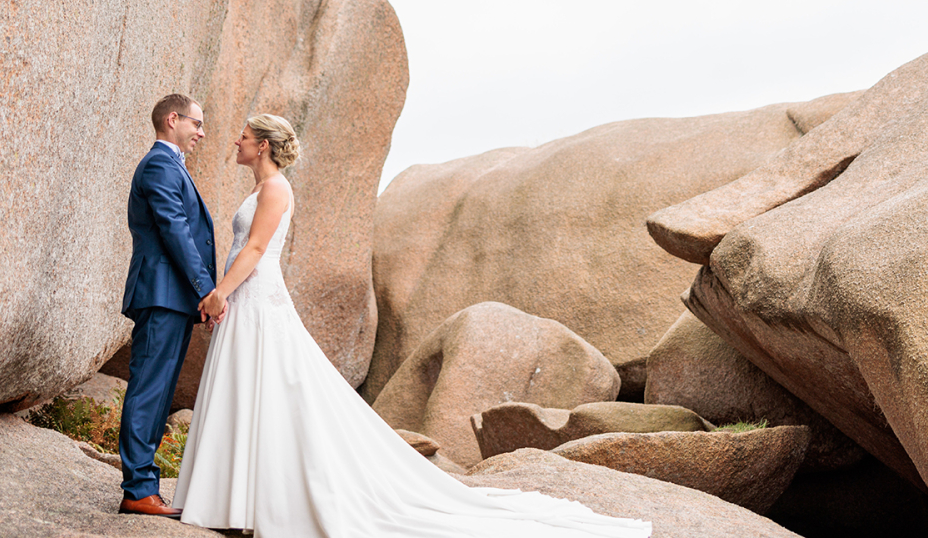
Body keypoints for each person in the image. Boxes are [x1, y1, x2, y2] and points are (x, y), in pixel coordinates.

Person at [172, 113, 651, 537]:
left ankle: (252, 496)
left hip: (256, 298)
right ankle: (234, 496)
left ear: (263, 146)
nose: (235, 141)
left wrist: (219, 294)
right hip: (248, 297)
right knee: (249, 390)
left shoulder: (276, 188)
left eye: (243, 136)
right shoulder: (259, 188)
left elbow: (255, 251)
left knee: (271, 390)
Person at [117, 94, 221, 518]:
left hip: (172, 298)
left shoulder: (172, 165)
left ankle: (146, 486)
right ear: (172, 119)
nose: (201, 132)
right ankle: (138, 489)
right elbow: (175, 229)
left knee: (158, 394)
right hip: (162, 293)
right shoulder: (160, 164)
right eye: (196, 124)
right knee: (148, 390)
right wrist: (205, 288)